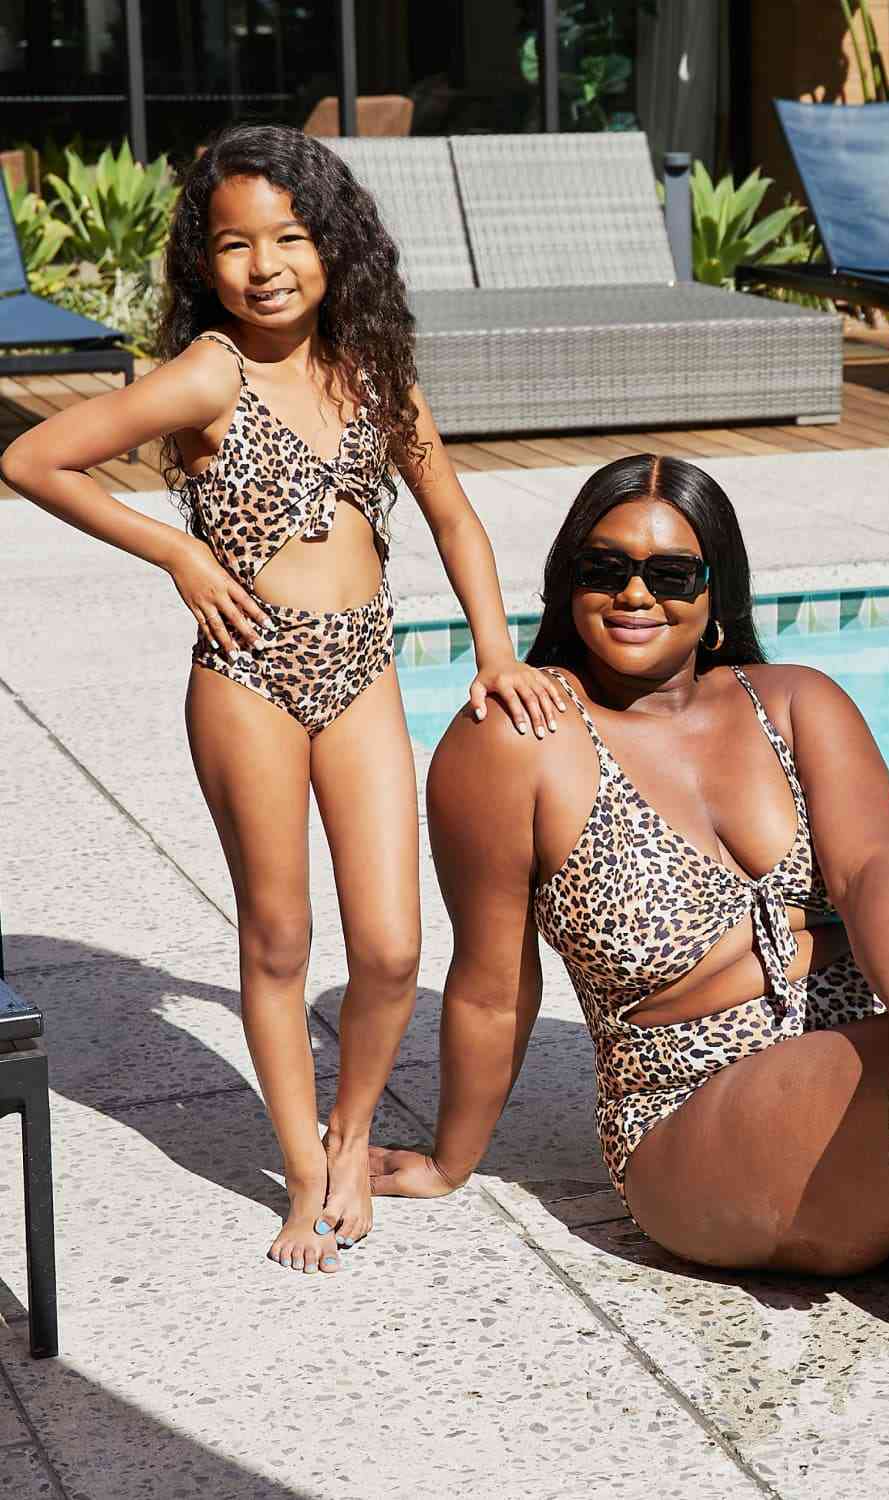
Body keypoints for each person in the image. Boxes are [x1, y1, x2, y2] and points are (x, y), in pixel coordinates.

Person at [1, 124, 564, 1276]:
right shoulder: (211, 373)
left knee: (392, 949)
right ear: (203, 263)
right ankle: (305, 1172)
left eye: (289, 237)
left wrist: (495, 651)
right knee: (278, 938)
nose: (264, 266)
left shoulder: (371, 370)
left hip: (359, 668)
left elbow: (453, 516)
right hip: (247, 678)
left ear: (333, 245)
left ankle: (352, 1133)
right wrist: (178, 553)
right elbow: (32, 459)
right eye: (233, 244)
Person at [369, 454, 889, 1297]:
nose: (635, 594)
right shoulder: (520, 741)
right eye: (605, 569)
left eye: (670, 573)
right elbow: (492, 986)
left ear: (715, 594)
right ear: (567, 584)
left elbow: (872, 873)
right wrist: (450, 1161)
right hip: (690, 1128)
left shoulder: (796, 703)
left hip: (857, 1103)